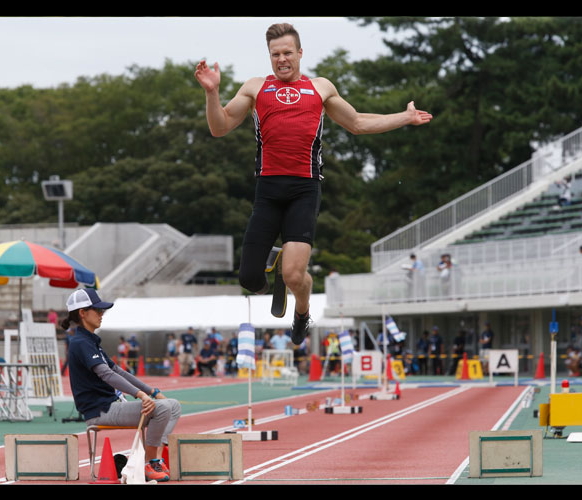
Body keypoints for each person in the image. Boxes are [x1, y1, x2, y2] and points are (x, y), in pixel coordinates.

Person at [195, 23, 432, 346]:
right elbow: (219, 126)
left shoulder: (320, 88)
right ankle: (276, 267)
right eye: (275, 54)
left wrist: (404, 118)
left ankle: (302, 312)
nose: (281, 59)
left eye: (287, 53)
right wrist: (212, 92)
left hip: (304, 190)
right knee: (250, 279)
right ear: (270, 56)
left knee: (295, 275)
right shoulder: (254, 88)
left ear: (300, 53)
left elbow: (358, 123)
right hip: (267, 190)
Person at [62, 288, 181, 482]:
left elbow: (118, 371)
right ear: (82, 313)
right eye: (97, 310)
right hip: (99, 410)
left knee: (173, 406)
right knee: (162, 409)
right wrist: (141, 395)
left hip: (112, 404)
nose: (102, 314)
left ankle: (155, 456)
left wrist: (152, 391)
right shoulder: (80, 343)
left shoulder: (91, 341)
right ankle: (151, 463)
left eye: (102, 311)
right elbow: (106, 374)